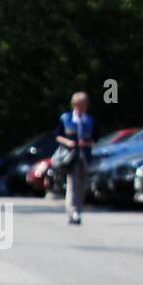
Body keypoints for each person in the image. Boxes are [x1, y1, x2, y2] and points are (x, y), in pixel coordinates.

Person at [54, 91, 96, 225]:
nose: (81, 108)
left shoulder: (90, 120)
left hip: (85, 156)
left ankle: (78, 210)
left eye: (84, 105)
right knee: (72, 184)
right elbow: (57, 135)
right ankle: (72, 212)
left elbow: (95, 138)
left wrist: (87, 143)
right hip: (70, 157)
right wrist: (68, 142)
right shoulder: (65, 118)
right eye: (79, 105)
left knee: (82, 185)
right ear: (74, 105)